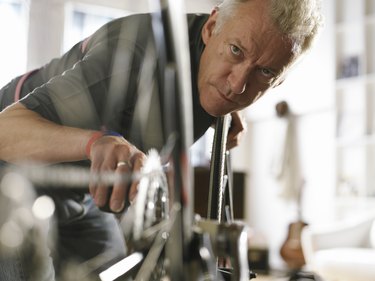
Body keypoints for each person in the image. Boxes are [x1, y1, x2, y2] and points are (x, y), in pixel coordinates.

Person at [0, 0, 323, 279]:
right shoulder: (136, 53)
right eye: (236, 51)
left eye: (264, 72)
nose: (238, 85)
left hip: (77, 196)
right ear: (211, 27)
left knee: (122, 274)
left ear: (279, 81)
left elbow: (240, 70)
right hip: (10, 173)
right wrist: (95, 142)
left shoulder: (217, 81)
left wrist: (226, 112)